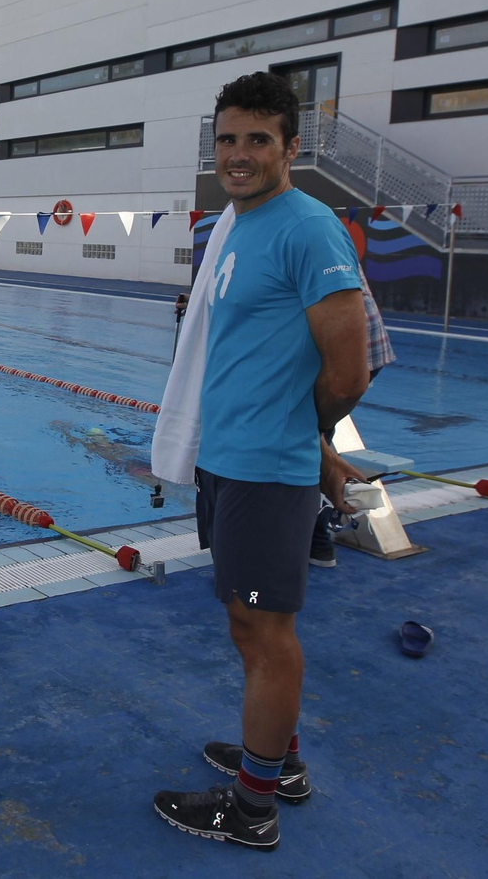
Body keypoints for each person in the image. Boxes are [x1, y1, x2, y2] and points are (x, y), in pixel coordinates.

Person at [153, 72, 368, 852]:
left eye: (257, 140)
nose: (238, 154)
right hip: (231, 456)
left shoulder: (307, 229)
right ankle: (282, 764)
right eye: (227, 139)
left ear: (290, 146)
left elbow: (347, 371)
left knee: (264, 632)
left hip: (264, 468)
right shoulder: (237, 223)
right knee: (249, 628)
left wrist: (302, 446)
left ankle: (252, 807)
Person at [311, 278, 396, 567]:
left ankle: (315, 538)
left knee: (304, 440)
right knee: (311, 439)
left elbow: (347, 384)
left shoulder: (305, 236)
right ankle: (314, 539)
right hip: (358, 350)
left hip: (346, 354)